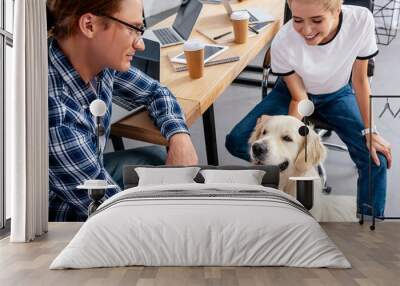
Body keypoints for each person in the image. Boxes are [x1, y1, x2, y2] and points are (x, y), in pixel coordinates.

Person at [225, 0, 392, 217]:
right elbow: (299, 98)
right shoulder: (283, 41)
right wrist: (278, 130)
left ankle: (368, 232)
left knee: (374, 157)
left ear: (337, 10)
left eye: (317, 20)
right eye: (297, 20)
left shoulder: (360, 21)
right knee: (237, 140)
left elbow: (360, 80)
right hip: (293, 93)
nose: (306, 30)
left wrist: (370, 131)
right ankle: (283, 181)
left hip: (338, 93)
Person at [47, 0, 198, 221]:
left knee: (161, 160)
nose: (140, 45)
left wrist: (179, 137)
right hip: (64, 215)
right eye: (132, 29)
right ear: (89, 25)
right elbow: (119, 217)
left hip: (92, 171)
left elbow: (156, 92)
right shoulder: (56, 116)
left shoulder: (98, 61)